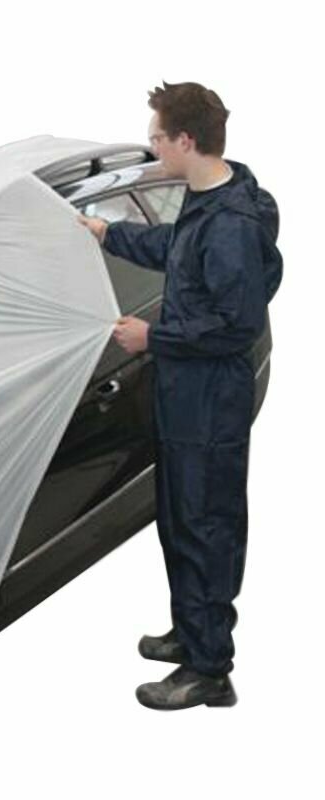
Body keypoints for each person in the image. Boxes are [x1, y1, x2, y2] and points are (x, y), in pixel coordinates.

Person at [78, 81, 283, 710]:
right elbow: (173, 247)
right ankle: (192, 631)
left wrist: (152, 337)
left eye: (157, 138)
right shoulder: (207, 199)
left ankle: (209, 669)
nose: (153, 148)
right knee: (180, 519)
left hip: (209, 403)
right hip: (184, 396)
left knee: (206, 525)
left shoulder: (232, 226)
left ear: (186, 140)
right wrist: (106, 233)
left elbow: (235, 326)